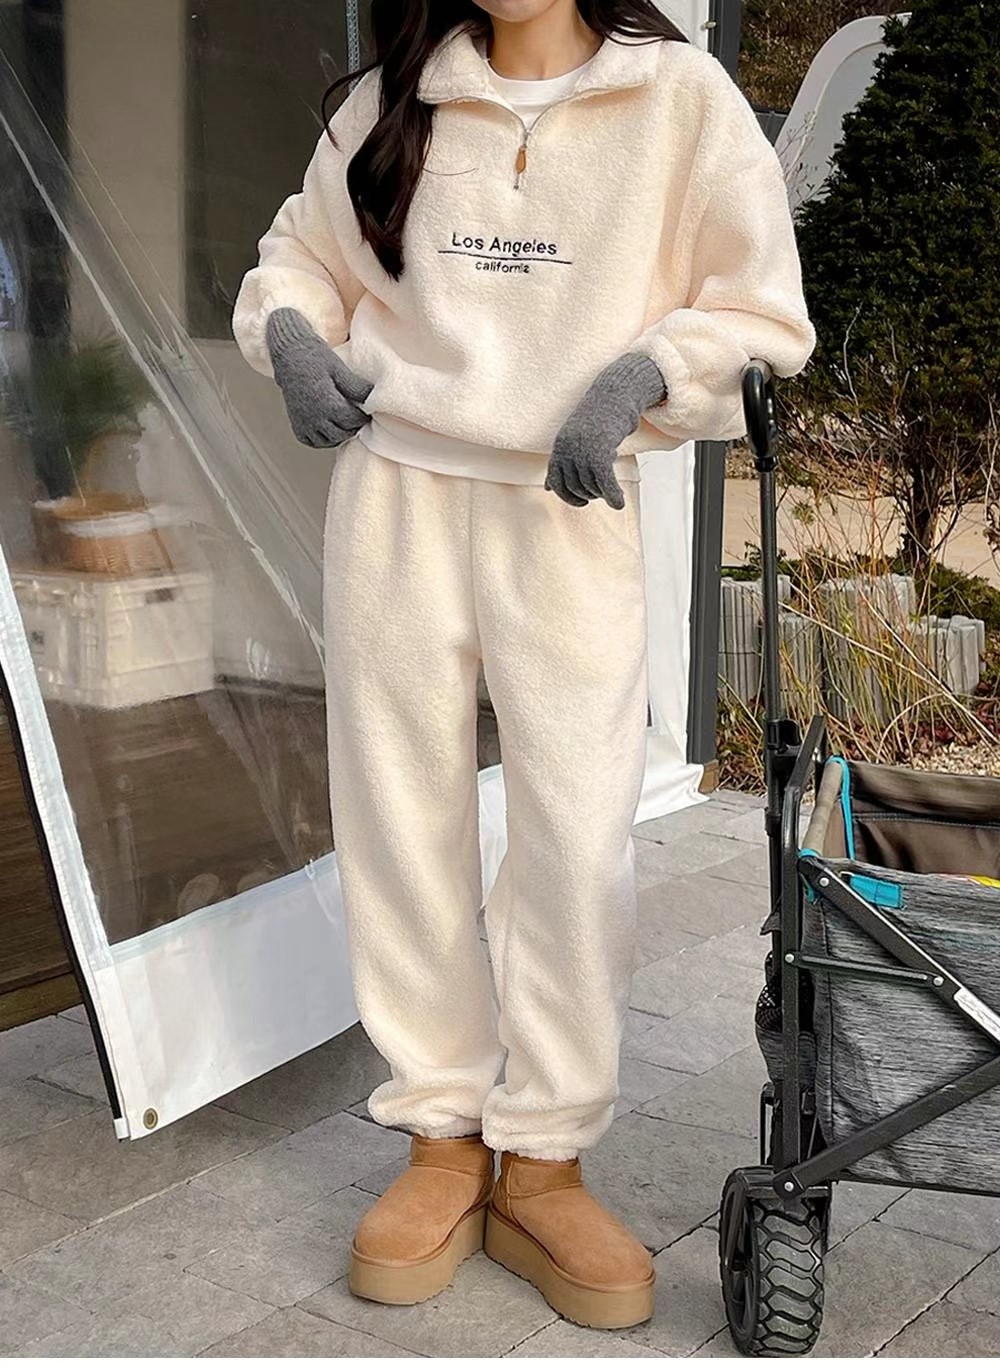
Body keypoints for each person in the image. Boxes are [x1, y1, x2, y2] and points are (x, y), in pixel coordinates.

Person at [232, 0, 815, 1331]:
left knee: (575, 831)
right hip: (397, 492)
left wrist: (644, 377)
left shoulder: (679, 101)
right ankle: (441, 1135)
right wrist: (294, 335)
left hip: (567, 506)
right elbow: (300, 254)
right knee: (399, 818)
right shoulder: (394, 96)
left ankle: (544, 1155)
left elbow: (761, 311)